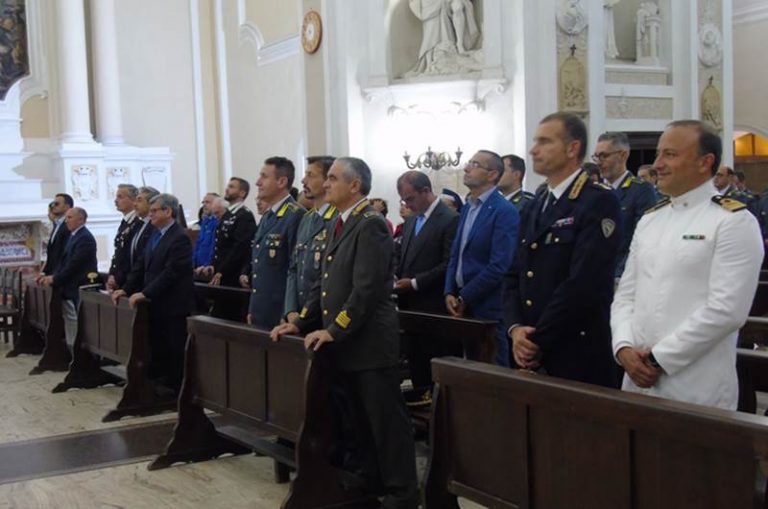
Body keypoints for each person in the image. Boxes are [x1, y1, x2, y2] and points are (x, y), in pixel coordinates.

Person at [271, 157, 419, 509]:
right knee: (358, 419)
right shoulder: (339, 222)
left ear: (355, 186)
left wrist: (334, 330)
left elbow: (365, 289)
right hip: (347, 344)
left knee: (385, 422)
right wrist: (302, 321)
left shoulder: (371, 224)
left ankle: (403, 492)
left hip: (369, 344)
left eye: (334, 179)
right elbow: (324, 286)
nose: (326, 185)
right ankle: (369, 476)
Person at [611, 120, 763, 410]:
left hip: (695, 385)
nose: (657, 164)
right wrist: (623, 347)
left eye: (670, 154)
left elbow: (727, 310)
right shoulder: (651, 220)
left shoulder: (732, 222)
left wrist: (658, 358)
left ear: (705, 162)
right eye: (658, 154)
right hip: (636, 379)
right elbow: (626, 295)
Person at [505, 112, 621, 387]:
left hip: (574, 350)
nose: (534, 150)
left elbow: (583, 283)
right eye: (535, 141)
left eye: (544, 142)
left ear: (572, 148)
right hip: (528, 347)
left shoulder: (597, 202)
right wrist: (515, 329)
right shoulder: (536, 204)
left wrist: (535, 340)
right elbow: (513, 274)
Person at [444, 150, 520, 366]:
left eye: (475, 164)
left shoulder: (504, 210)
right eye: (469, 162)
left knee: (493, 371)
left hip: (488, 305)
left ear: (492, 174)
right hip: (463, 303)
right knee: (471, 369)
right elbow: (456, 253)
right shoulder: (468, 207)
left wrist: (465, 296)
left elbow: (499, 265)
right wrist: (449, 290)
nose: (466, 168)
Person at [112, 193, 194, 392]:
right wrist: (126, 288)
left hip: (173, 304)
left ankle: (175, 390)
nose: (150, 214)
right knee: (157, 346)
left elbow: (171, 272)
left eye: (155, 210)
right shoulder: (156, 233)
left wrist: (146, 293)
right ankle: (157, 384)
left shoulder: (179, 236)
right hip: (156, 302)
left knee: (173, 348)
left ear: (168, 211)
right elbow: (141, 265)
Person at [395, 170, 459, 392]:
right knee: (416, 367)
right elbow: (404, 257)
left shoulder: (449, 219)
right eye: (403, 200)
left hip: (433, 308)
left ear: (425, 191)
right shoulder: (412, 221)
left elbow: (448, 263)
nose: (407, 205)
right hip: (410, 309)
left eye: (410, 199)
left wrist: (414, 282)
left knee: (436, 372)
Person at [243, 157, 304, 329]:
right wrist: (253, 308)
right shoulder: (269, 216)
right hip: (262, 310)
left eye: (264, 176)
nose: (257, 182)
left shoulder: (295, 216)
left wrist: (287, 312)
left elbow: (295, 270)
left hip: (280, 313)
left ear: (281, 181)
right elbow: (259, 268)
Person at [593, 132, 658, 278]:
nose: (598, 162)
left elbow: (643, 239)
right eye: (596, 157)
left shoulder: (640, 190)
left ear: (623, 155)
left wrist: (620, 275)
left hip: (624, 276)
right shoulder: (595, 192)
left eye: (604, 156)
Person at [284, 156, 338, 323]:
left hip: (323, 314)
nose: (303, 180)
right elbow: (294, 268)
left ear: (327, 180)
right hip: (299, 314)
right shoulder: (307, 219)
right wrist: (290, 309)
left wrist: (304, 315)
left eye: (310, 175)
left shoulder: (337, 220)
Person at [40, 207, 97, 348]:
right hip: (68, 285)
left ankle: (76, 351)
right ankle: (71, 349)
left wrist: (55, 279)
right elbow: (63, 261)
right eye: (66, 218)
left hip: (78, 285)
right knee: (70, 320)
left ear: (81, 219)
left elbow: (74, 265)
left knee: (75, 320)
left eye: (70, 217)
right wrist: (52, 275)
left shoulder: (85, 238)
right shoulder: (74, 236)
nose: (66, 221)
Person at [207, 177, 257, 287]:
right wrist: (214, 266)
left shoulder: (244, 215)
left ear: (242, 193)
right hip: (220, 271)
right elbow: (220, 244)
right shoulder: (228, 214)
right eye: (228, 186)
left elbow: (239, 247)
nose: (227, 189)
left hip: (233, 273)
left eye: (231, 187)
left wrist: (222, 270)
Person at [107, 184, 140, 291]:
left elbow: (130, 255)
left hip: (130, 281)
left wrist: (120, 278)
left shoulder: (138, 222)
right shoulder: (125, 222)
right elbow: (118, 251)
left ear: (133, 200)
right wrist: (112, 274)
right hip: (120, 279)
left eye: (120, 197)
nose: (116, 201)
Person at [39, 193, 73, 278]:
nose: (53, 206)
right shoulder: (57, 224)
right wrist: (44, 273)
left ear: (67, 206)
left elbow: (64, 255)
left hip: (60, 275)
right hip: (52, 274)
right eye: (52, 204)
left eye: (57, 204)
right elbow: (52, 253)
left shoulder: (69, 226)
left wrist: (56, 276)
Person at [192, 193, 219, 270]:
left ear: (217, 204)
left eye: (207, 202)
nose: (204, 205)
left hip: (208, 268)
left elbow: (214, 247)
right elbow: (198, 245)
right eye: (203, 202)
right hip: (198, 268)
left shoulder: (218, 222)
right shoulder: (205, 222)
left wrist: (207, 265)